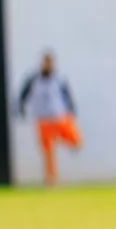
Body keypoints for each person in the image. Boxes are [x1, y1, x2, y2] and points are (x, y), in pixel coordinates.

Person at [18, 51, 80, 185]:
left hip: (59, 116)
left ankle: (64, 141)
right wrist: (21, 108)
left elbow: (67, 95)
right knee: (48, 151)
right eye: (45, 62)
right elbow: (23, 95)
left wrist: (72, 109)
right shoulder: (33, 79)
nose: (48, 65)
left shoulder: (59, 78)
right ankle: (51, 178)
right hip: (43, 119)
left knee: (74, 139)